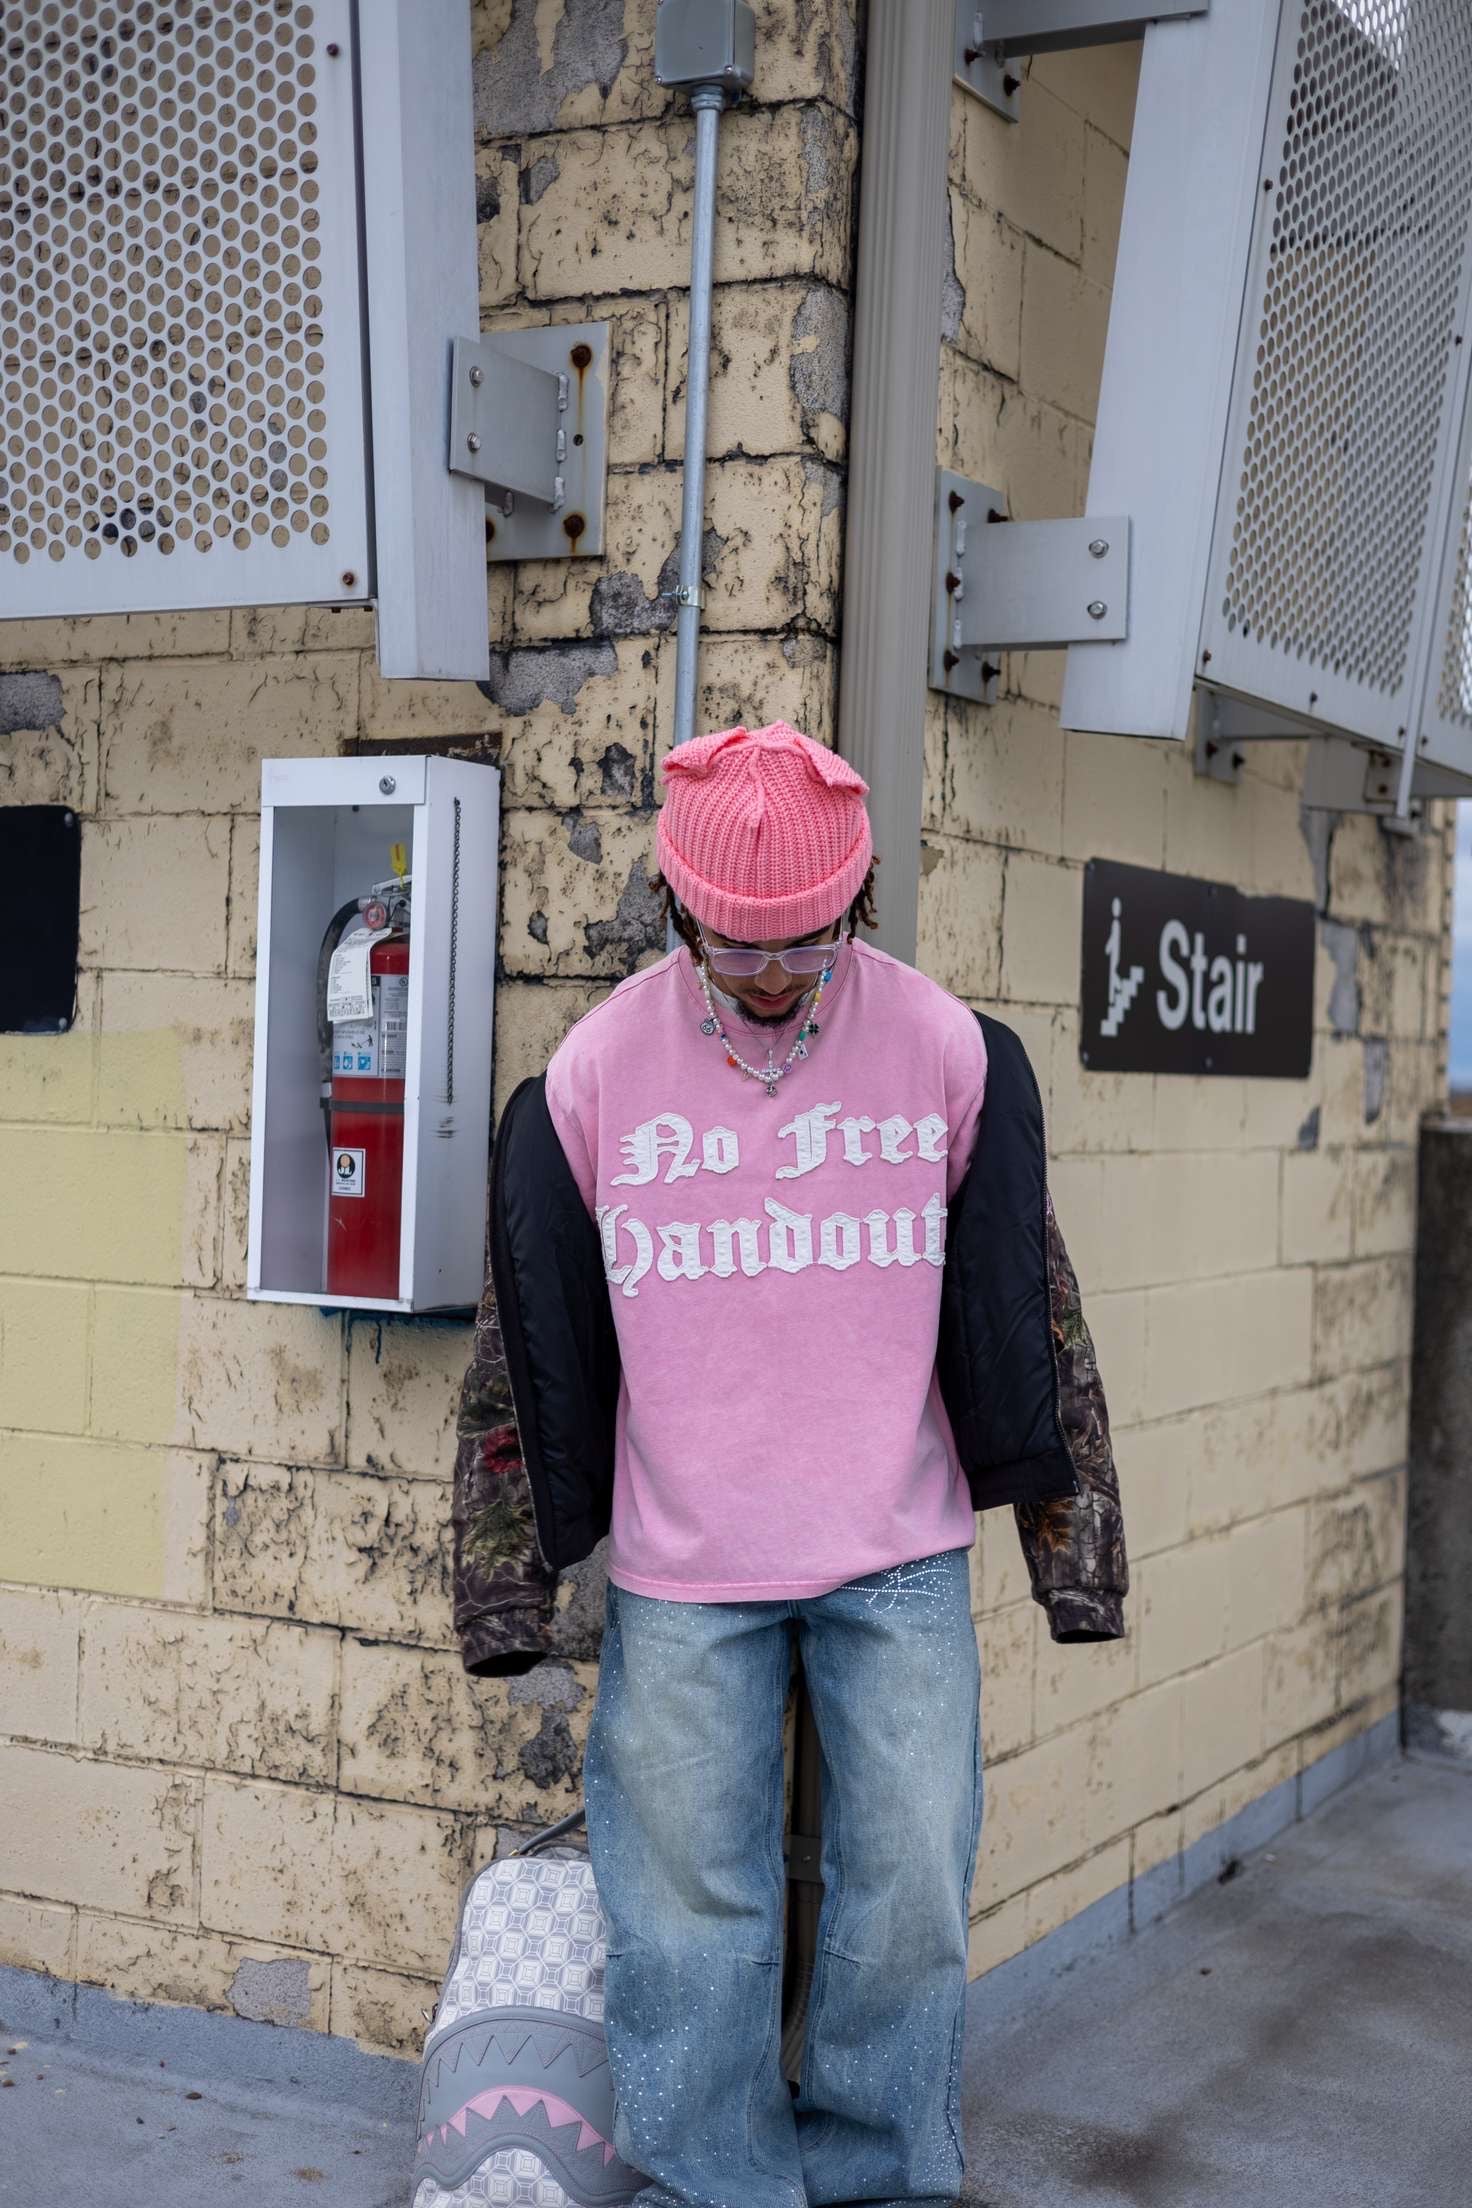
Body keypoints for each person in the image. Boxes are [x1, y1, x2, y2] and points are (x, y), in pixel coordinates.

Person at [451, 719, 1129, 2208]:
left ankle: (881, 2173)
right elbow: (521, 1342)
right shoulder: (597, 1070)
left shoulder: (943, 1050)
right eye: (735, 943)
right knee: (684, 1918)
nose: (768, 972)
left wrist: (1072, 1551)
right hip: (684, 1565)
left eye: (804, 943)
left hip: (900, 1551)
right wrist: (506, 1584)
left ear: (857, 901)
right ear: (680, 908)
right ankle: (717, 2182)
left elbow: (1033, 1308)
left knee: (911, 1897)